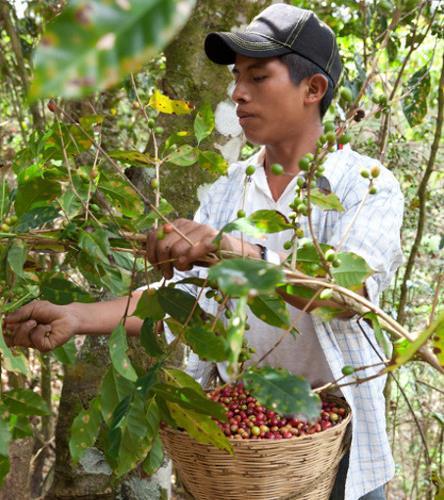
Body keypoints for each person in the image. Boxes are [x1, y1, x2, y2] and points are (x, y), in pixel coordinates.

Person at [5, 4, 404, 500]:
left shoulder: (363, 188)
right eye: (237, 77)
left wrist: (238, 251)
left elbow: (344, 293)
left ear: (313, 89)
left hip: (339, 441)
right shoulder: (227, 191)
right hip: (243, 444)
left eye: (258, 77)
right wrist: (77, 314)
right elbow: (186, 302)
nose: (238, 93)